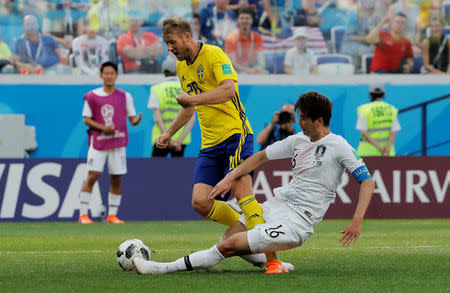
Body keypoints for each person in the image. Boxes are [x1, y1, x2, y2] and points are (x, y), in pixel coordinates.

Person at [133, 91, 375, 275]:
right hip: (276, 206)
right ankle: (271, 261)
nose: (299, 122)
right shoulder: (298, 140)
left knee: (227, 247)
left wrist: (357, 220)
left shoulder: (340, 146)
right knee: (226, 242)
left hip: (298, 221)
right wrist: (229, 177)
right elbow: (259, 157)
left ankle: (159, 268)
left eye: (303, 119)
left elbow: (367, 182)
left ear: (319, 120)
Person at [158, 16, 290, 273]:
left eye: (171, 42)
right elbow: (189, 105)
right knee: (200, 202)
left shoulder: (214, 55)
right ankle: (252, 225)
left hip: (235, 136)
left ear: (187, 37)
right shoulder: (182, 67)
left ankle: (274, 260)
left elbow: (229, 91)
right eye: (165, 43)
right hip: (210, 144)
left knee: (243, 195)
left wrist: (193, 99)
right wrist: (170, 133)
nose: (169, 48)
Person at [78, 61, 142, 224]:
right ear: (101, 75)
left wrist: (136, 121)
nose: (109, 76)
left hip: (118, 142)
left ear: (116, 75)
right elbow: (86, 119)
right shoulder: (91, 96)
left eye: (112, 73)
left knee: (116, 178)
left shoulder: (125, 96)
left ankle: (112, 215)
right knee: (93, 175)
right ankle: (83, 214)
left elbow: (132, 119)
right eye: (106, 73)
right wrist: (103, 128)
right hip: (98, 142)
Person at [148, 54, 195, 157]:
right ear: (177, 71)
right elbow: (191, 118)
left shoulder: (156, 89)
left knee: (155, 171)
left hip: (160, 139)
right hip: (181, 140)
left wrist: (167, 138)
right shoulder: (185, 88)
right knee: (177, 172)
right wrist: (178, 141)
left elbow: (158, 119)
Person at [356, 84, 401, 157]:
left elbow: (364, 132)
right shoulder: (391, 109)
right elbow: (394, 132)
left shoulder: (364, 109)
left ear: (370, 94)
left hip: (367, 152)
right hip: (388, 152)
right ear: (384, 94)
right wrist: (386, 150)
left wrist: (380, 148)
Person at [225, 7, 266, 74]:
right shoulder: (231, 38)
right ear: (238, 20)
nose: (244, 21)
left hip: (253, 69)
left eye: (247, 18)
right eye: (242, 18)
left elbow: (262, 63)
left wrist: (258, 68)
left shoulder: (257, 37)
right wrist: (248, 70)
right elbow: (233, 63)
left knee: (264, 72)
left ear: (251, 20)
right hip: (237, 71)